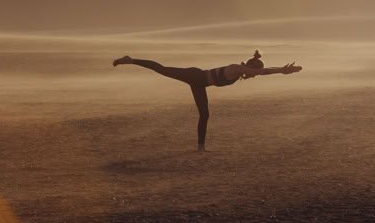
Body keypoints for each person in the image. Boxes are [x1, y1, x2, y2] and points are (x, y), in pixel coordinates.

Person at [112, 49, 302, 150]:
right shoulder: (237, 68)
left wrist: (281, 70)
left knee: (205, 114)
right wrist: (281, 71)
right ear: (251, 67)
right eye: (253, 72)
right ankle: (130, 59)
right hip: (195, 76)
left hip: (200, 84)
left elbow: (259, 72)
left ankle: (200, 147)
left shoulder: (241, 72)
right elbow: (260, 71)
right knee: (161, 68)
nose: (253, 76)